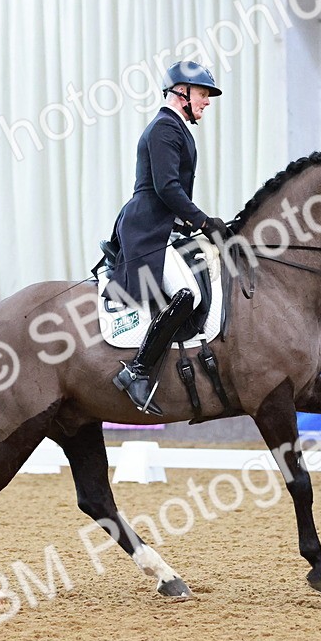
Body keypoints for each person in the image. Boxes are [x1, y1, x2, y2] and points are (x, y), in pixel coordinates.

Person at [106, 60, 231, 416]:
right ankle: (138, 370)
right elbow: (167, 187)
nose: (207, 102)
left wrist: (201, 226)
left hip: (162, 226)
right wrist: (204, 222)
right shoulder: (165, 129)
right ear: (182, 93)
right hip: (147, 229)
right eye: (203, 94)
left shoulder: (175, 128)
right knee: (186, 293)